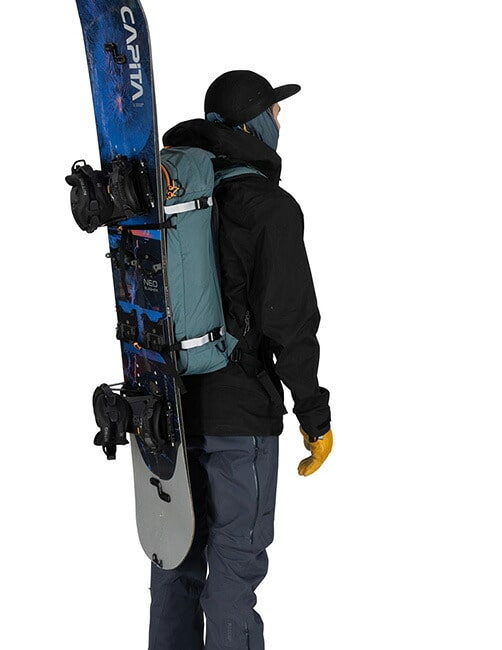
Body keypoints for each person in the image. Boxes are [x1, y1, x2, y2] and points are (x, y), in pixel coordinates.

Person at [148, 70, 333, 650]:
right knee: (234, 570)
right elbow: (290, 323)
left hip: (169, 411)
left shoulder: (171, 197)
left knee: (175, 564)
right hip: (241, 422)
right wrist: (315, 416)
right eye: (273, 111)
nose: (280, 119)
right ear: (252, 122)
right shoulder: (269, 207)